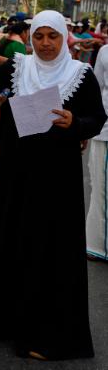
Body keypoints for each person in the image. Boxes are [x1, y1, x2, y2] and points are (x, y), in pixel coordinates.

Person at [0, 10, 104, 360]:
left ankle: (47, 331)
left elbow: (97, 118)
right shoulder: (19, 66)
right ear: (31, 38)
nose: (45, 43)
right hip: (16, 174)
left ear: (63, 37)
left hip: (57, 180)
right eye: (38, 36)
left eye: (52, 36)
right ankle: (2, 318)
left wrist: (75, 122)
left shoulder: (80, 75)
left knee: (49, 247)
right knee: (11, 237)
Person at [87, 44, 108, 262]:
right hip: (105, 131)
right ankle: (97, 245)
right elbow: (96, 88)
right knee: (100, 186)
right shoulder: (105, 52)